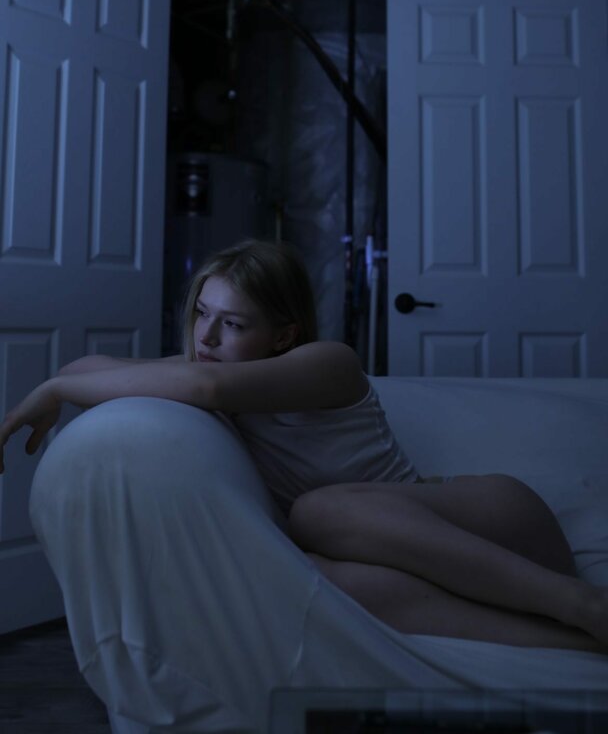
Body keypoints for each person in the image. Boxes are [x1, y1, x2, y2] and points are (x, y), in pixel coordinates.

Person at [1, 237, 607, 655]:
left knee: (319, 512)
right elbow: (90, 367)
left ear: (283, 335)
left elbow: (205, 386)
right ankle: (577, 643)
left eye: (233, 324)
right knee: (315, 581)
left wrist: (54, 389)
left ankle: (583, 604)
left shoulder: (328, 363)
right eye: (201, 313)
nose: (206, 337)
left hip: (498, 525)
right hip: (397, 565)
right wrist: (63, 382)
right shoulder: (208, 366)